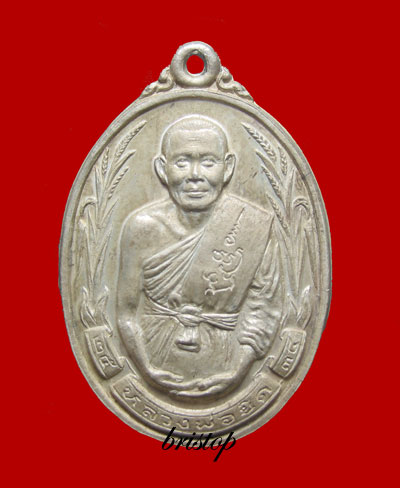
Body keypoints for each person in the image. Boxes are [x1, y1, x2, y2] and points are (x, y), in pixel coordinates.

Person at [117, 115, 283, 400]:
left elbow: (264, 308)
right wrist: (146, 369)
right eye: (182, 162)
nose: (195, 175)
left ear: (228, 168)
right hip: (154, 362)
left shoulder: (251, 226)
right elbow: (125, 312)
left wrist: (238, 372)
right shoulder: (141, 228)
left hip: (225, 364)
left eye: (208, 162)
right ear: (162, 169)